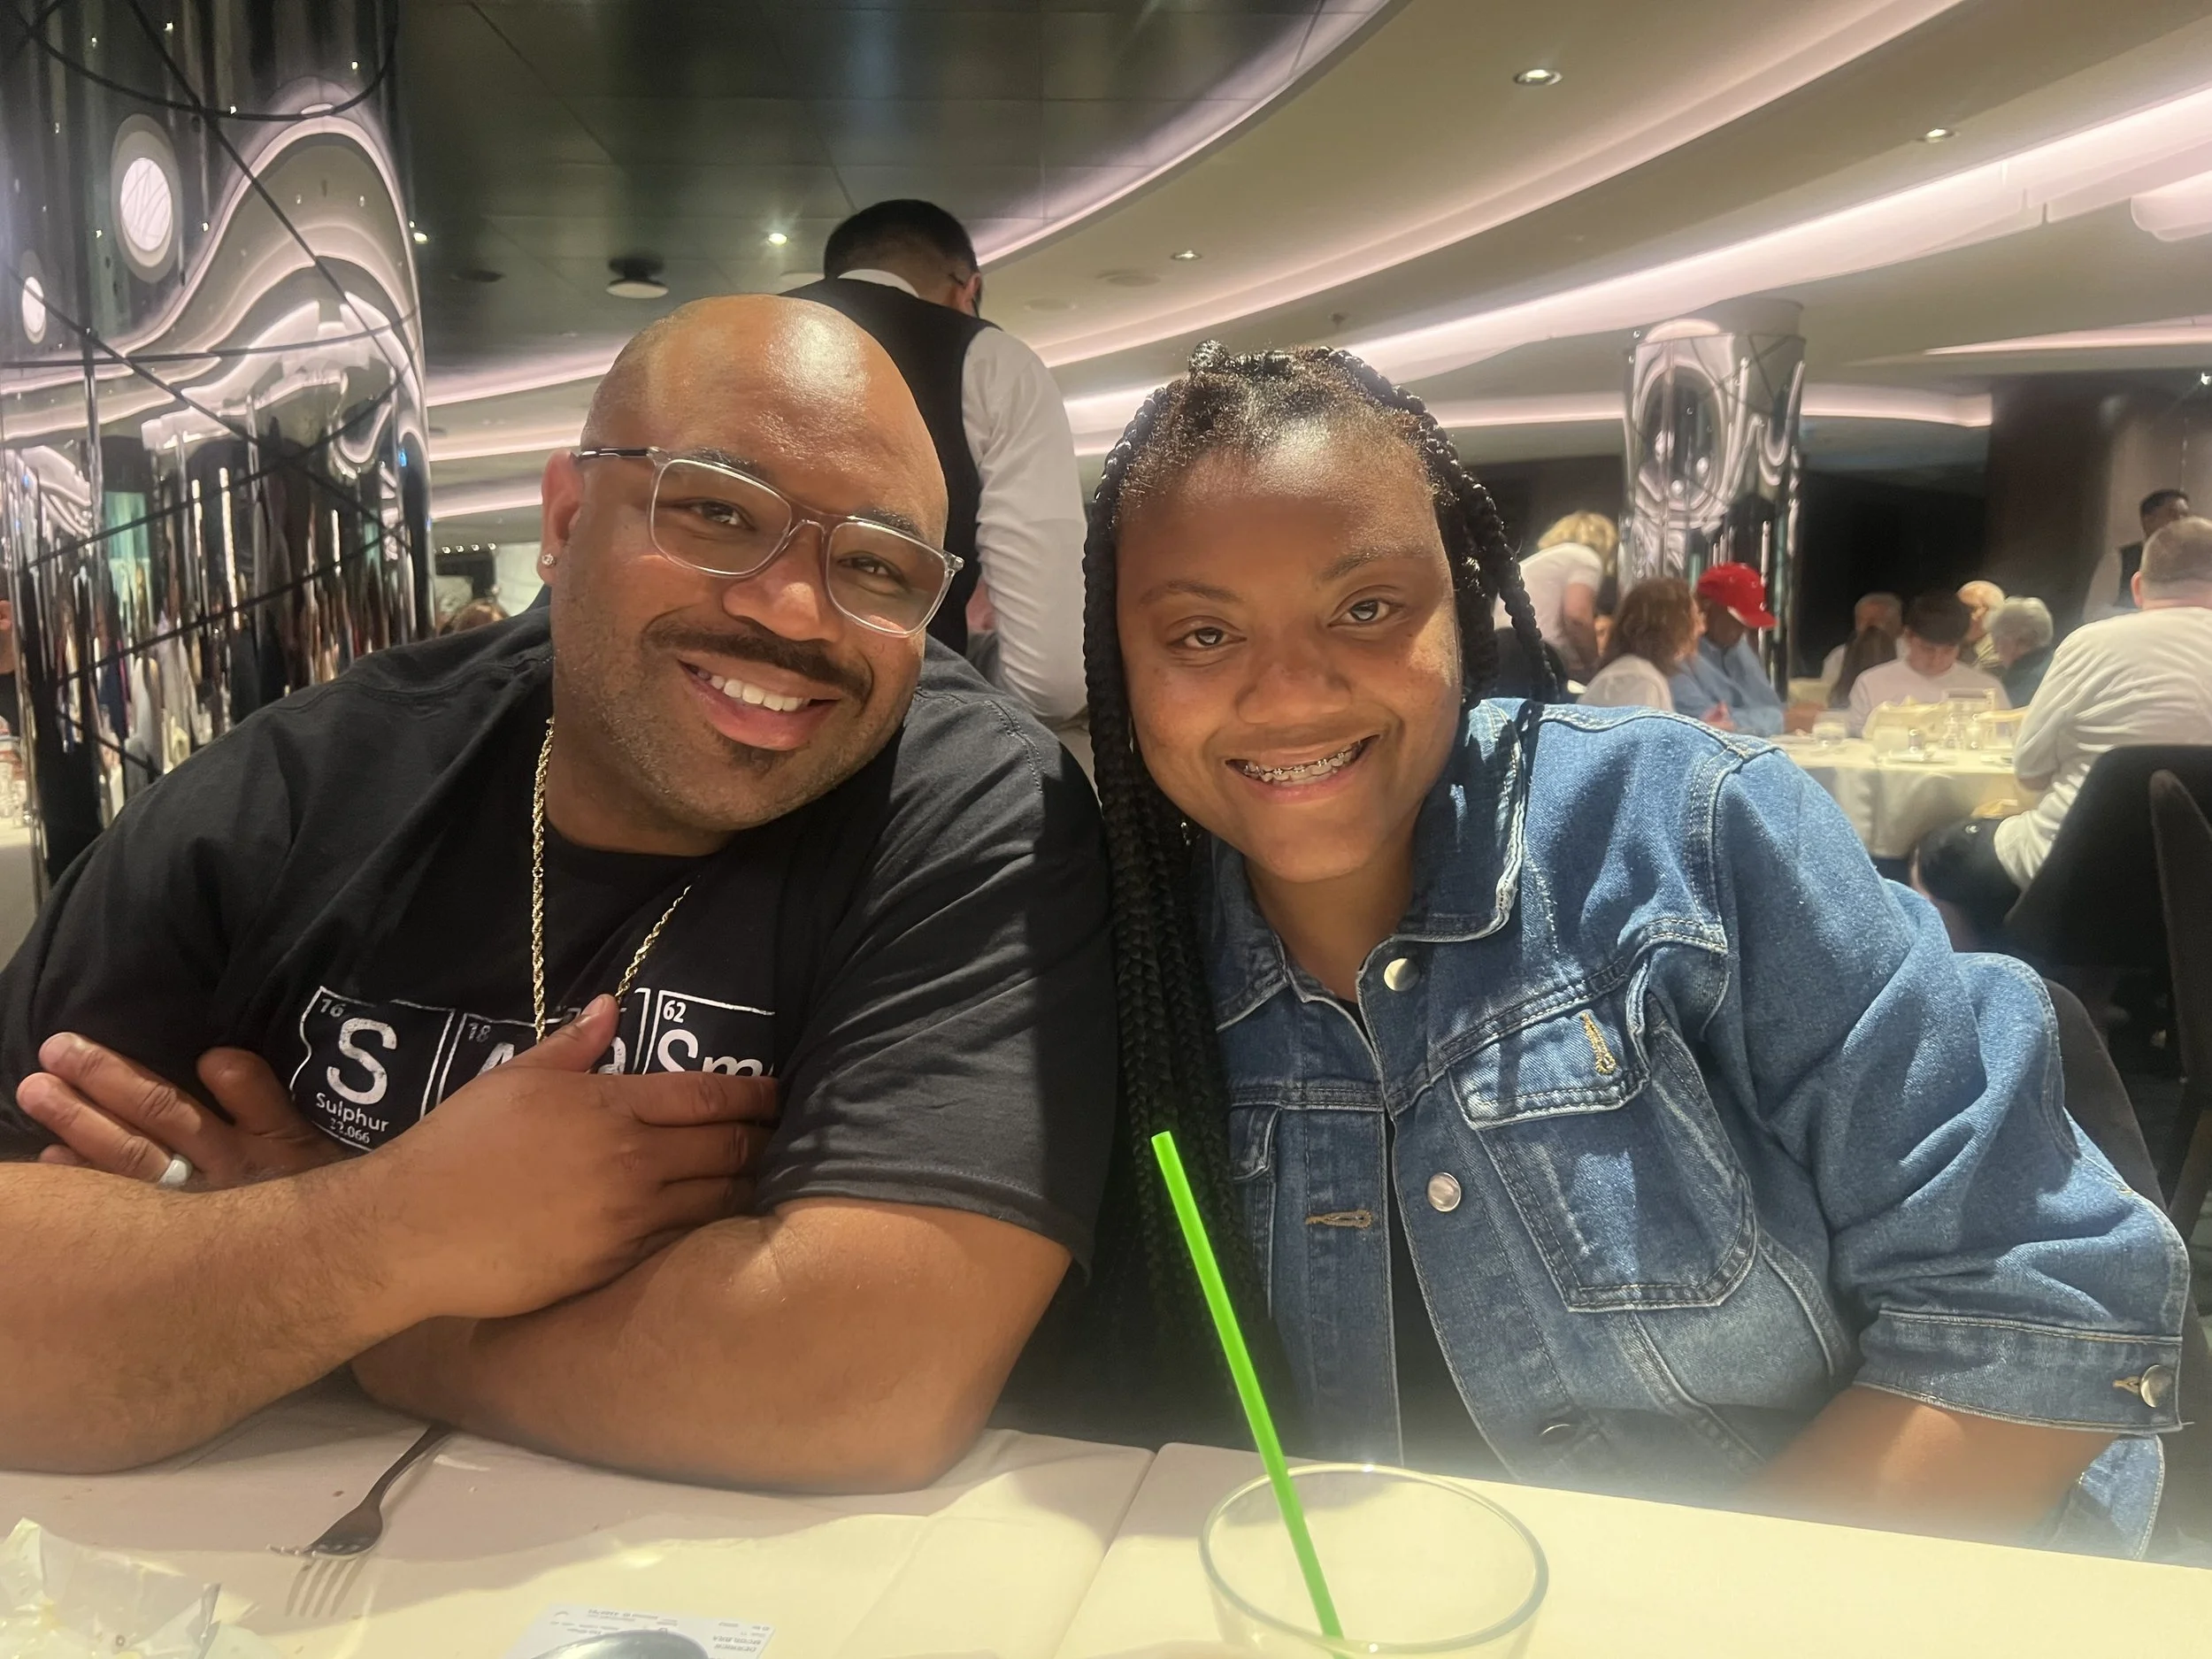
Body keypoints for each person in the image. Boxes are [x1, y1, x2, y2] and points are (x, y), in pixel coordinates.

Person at [1071, 341, 2185, 1557]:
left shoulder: (1687, 834)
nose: (1289, 691)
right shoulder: (1127, 959)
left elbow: (2036, 1299)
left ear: (1463, 606)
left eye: (1368, 608)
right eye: (1201, 634)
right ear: (1120, 663)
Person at [0, 296, 1116, 1483]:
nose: (793, 609)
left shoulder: (974, 811)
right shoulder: (297, 793)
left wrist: (343, 1283)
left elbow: (864, 1379)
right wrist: (387, 1228)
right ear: (568, 517)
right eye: (716, 511)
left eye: (876, 567)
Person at [786, 201, 1087, 729]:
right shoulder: (993, 360)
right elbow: (1052, 678)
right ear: (967, 290)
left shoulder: (720, 335)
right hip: (897, 724)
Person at [1916, 517, 2212, 943]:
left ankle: (1984, 982)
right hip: (2196, 888)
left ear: (2137, 588)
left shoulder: (2090, 644)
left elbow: (2030, 772)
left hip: (2072, 875)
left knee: (1936, 853)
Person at [1668, 563, 1817, 734]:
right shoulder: (1675, 655)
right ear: (1704, 608)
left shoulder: (1737, 645)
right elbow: (1702, 722)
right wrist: (1781, 721)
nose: (1743, 630)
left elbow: (1768, 704)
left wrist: (1795, 714)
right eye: (1737, 620)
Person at [1845, 590, 2008, 735]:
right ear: (1908, 637)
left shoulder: (1987, 688)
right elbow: (1855, 745)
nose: (1937, 660)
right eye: (1928, 649)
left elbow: (2004, 743)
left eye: (1948, 650)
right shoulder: (1872, 683)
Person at [1494, 511, 1613, 680]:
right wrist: (1595, 666)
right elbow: (1577, 617)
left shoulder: (1533, 563)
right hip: (1536, 654)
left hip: (1503, 649)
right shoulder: (1586, 558)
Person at [1579, 576, 1698, 711]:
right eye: (1694, 620)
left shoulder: (1639, 673)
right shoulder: (1639, 680)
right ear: (1672, 628)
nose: (1700, 629)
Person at [2086, 488, 2191, 623]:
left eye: (2185, 515)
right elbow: (2094, 612)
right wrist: (2146, 615)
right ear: (2148, 520)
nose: (2181, 521)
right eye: (2173, 514)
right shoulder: (2119, 560)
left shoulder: (2195, 562)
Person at [1819, 591, 1901, 690]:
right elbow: (1827, 691)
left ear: (1895, 623)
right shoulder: (1838, 656)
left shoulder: (1910, 654)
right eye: (1860, 620)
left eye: (1873, 621)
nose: (1865, 627)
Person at [1988, 596, 2056, 708]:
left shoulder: (2020, 680)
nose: (1995, 649)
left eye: (1997, 640)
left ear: (2013, 641)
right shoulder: (2059, 662)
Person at [1958, 580, 2007, 672]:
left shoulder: (2004, 654)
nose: (1959, 615)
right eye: (1957, 608)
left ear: (1994, 615)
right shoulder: (1946, 644)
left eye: (1969, 609)